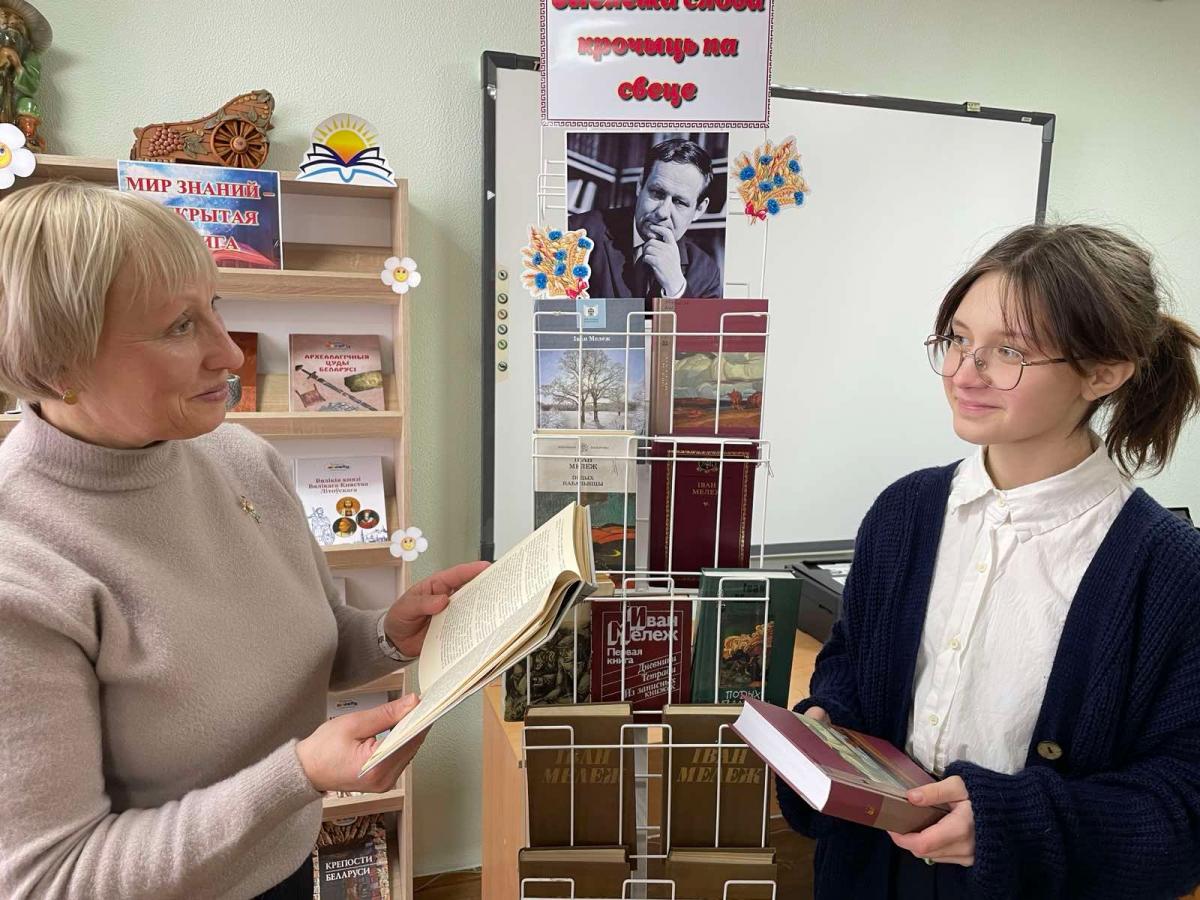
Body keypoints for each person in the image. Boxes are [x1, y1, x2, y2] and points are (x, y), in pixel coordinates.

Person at [0, 181, 488, 899]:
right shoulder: (21, 562)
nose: (230, 355)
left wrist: (388, 634)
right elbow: (51, 877)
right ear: (57, 361)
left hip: (286, 862)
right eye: (179, 327)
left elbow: (303, 647)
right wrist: (298, 777)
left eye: (215, 306)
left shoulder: (241, 457)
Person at [778, 223, 1200, 899]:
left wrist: (1012, 827)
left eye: (1009, 351)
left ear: (1103, 371)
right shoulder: (904, 512)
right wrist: (830, 726)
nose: (963, 373)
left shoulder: (1170, 571)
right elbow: (852, 663)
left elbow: (1183, 807)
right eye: (957, 339)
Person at [569, 137, 722, 300]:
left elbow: (701, 319)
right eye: (657, 193)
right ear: (640, 184)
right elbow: (556, 312)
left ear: (699, 209)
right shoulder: (576, 233)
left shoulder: (706, 274)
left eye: (679, 202)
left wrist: (676, 288)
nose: (663, 212)